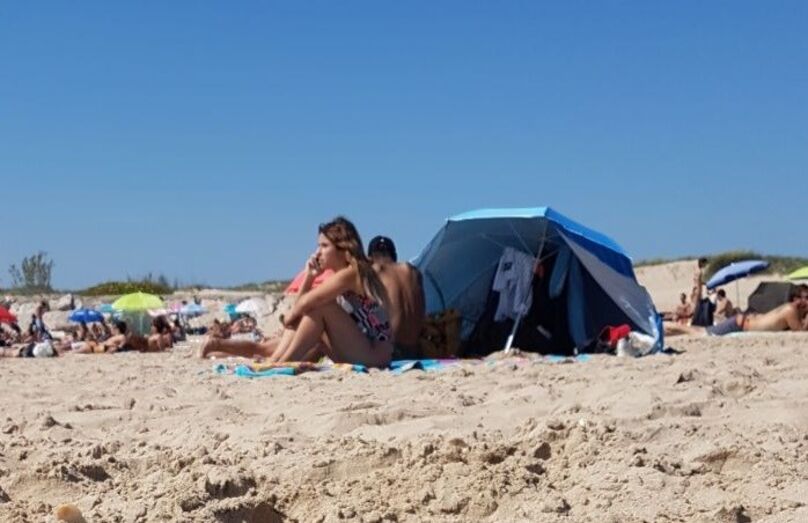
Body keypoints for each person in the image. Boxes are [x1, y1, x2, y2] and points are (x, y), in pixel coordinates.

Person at [201, 217, 393, 367]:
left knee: (320, 306)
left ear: (343, 249)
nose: (317, 252)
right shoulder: (338, 276)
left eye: (324, 246)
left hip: (374, 354)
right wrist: (309, 276)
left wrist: (289, 319)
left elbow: (303, 304)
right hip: (358, 349)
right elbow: (302, 305)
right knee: (312, 309)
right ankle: (278, 360)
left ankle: (279, 362)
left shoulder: (352, 272)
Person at [665, 285, 808, 336]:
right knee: (699, 333)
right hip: (740, 324)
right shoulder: (791, 310)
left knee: (696, 331)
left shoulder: (791, 309)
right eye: (804, 298)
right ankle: (663, 327)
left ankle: (664, 329)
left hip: (741, 322)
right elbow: (800, 332)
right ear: (795, 298)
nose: (805, 302)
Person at [367, 235, 425, 358]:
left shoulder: (375, 271)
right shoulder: (414, 272)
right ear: (394, 256)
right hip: (415, 350)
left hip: (390, 351)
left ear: (370, 259)